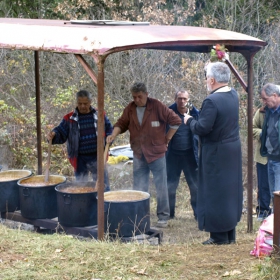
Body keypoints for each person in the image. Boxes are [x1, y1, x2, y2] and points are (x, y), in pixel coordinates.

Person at [106, 82, 181, 228]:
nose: (137, 100)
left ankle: (163, 217)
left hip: (156, 154)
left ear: (146, 94)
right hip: (139, 154)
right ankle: (140, 216)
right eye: (134, 97)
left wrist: (167, 139)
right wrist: (113, 135)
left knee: (161, 185)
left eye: (139, 97)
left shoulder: (157, 106)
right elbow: (121, 123)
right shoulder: (130, 108)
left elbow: (176, 121)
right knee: (139, 186)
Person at [184, 62, 243, 245]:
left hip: (216, 152)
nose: (206, 82)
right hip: (232, 149)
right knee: (229, 191)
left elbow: (202, 128)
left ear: (212, 79)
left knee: (215, 191)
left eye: (206, 79)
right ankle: (229, 235)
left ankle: (218, 237)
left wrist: (189, 120)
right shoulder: (233, 94)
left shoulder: (212, 100)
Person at [47, 89, 113, 190]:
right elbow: (60, 131)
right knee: (81, 187)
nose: (82, 106)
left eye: (85, 103)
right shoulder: (69, 118)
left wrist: (109, 136)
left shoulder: (99, 115)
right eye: (80, 103)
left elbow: (109, 129)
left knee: (103, 185)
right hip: (79, 158)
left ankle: (106, 204)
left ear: (90, 102)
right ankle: (84, 205)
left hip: (98, 156)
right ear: (76, 102)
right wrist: (53, 135)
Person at [166, 90, 199, 220]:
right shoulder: (168, 112)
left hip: (190, 155)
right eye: (179, 98)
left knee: (195, 186)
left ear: (188, 100)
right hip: (173, 155)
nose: (182, 101)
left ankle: (198, 213)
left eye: (185, 99)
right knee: (171, 185)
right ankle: (169, 213)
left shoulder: (194, 113)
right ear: (175, 99)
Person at [260, 83, 280, 209]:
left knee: (278, 194)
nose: (264, 102)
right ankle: (275, 223)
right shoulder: (268, 111)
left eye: (265, 99)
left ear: (274, 95)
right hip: (271, 158)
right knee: (274, 194)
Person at [253, 106, 271, 221]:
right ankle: (263, 211)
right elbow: (253, 128)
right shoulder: (261, 111)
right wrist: (264, 133)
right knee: (263, 185)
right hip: (263, 156)